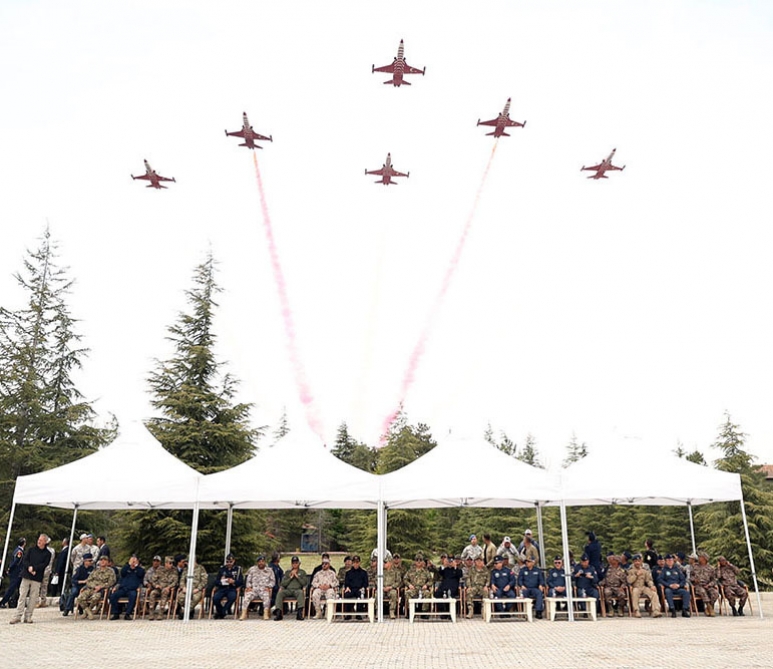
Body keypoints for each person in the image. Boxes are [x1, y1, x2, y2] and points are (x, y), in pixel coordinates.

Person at [9, 534, 51, 624]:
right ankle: (17, 616)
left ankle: (28, 616)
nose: (39, 541)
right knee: (22, 596)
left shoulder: (47, 554)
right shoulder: (31, 550)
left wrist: (34, 568)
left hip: (37, 577)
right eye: (39, 539)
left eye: (41, 540)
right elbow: (25, 560)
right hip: (26, 575)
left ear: (45, 542)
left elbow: (44, 564)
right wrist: (29, 567)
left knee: (33, 598)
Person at [75, 554, 116, 620]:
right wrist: (94, 587)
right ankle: (88, 612)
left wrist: (101, 587)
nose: (102, 561)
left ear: (107, 562)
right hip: (91, 588)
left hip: (101, 590)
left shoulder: (110, 571)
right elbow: (88, 581)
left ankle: (87, 612)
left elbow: (111, 582)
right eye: (101, 560)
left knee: (95, 598)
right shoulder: (95, 571)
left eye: (104, 560)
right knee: (80, 598)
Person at [109, 554, 145, 620]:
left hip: (133, 589)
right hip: (123, 588)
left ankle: (128, 614)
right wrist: (129, 565)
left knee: (133, 596)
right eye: (132, 560)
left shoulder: (140, 570)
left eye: (134, 560)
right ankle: (116, 613)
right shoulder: (126, 568)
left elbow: (141, 574)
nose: (133, 562)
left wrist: (136, 566)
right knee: (113, 596)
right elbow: (122, 573)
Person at [626, 554, 661, 618]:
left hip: (643, 587)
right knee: (635, 593)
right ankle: (636, 611)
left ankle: (655, 610)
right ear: (633, 562)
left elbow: (649, 580)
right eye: (636, 561)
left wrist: (651, 586)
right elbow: (629, 581)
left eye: (639, 561)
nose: (637, 563)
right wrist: (636, 575)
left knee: (653, 593)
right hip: (635, 587)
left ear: (641, 561)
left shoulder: (644, 571)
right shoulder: (630, 571)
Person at [241, 555, 275, 620]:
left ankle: (265, 614)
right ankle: (243, 613)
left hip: (264, 589)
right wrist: (248, 587)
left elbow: (273, 581)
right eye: (259, 561)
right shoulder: (252, 569)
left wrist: (269, 586)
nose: (261, 563)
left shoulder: (269, 570)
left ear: (265, 562)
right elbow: (248, 580)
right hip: (254, 589)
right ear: (257, 562)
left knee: (266, 597)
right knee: (247, 597)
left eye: (262, 561)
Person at [274, 556, 308, 620]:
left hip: (297, 590)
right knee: (280, 593)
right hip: (288, 590)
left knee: (301, 592)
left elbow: (304, 583)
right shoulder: (287, 572)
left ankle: (299, 613)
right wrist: (290, 577)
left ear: (299, 564)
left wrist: (297, 577)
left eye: (296, 563)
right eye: (293, 563)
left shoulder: (302, 572)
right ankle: (278, 613)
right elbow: (283, 584)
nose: (294, 564)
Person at [147, 556, 180, 620]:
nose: (171, 565)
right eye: (170, 563)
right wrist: (156, 585)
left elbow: (175, 582)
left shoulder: (174, 570)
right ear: (166, 563)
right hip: (159, 588)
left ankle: (161, 613)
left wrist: (169, 587)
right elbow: (153, 579)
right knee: (153, 593)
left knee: (164, 592)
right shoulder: (159, 569)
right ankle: (151, 613)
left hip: (168, 589)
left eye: (172, 563)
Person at [212, 553, 243, 620]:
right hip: (222, 588)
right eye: (227, 562)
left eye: (230, 562)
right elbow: (216, 581)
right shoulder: (222, 569)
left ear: (234, 561)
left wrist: (233, 581)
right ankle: (221, 612)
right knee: (215, 598)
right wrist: (221, 581)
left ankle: (223, 612)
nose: (229, 563)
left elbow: (241, 582)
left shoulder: (237, 570)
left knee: (232, 597)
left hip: (231, 588)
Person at [690, 551, 718, 617]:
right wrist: (694, 580)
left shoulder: (711, 568)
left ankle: (709, 607)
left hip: (708, 585)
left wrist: (709, 585)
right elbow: (691, 576)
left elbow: (714, 580)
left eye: (700, 557)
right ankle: (709, 607)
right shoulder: (695, 566)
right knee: (702, 591)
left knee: (715, 593)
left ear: (704, 559)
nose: (699, 558)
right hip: (698, 585)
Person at [0, 537, 26, 609]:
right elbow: (16, 561)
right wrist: (10, 568)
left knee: (21, 588)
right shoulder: (19, 551)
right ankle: (3, 602)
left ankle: (19, 602)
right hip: (16, 572)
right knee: (12, 588)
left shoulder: (17, 550)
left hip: (18, 572)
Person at [37, 535, 56, 606]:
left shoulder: (41, 550)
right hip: (48, 569)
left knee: (38, 584)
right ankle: (43, 600)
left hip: (41, 569)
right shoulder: (52, 550)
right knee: (44, 585)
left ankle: (37, 600)